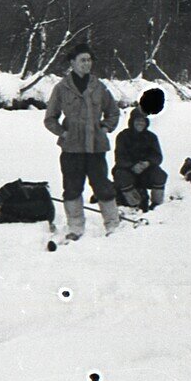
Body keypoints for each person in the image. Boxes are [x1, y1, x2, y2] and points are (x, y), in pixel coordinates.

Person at [43, 42, 121, 238]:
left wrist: (104, 128)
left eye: (89, 60)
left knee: (102, 185)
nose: (86, 64)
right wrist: (63, 133)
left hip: (96, 147)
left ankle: (112, 224)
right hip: (71, 148)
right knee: (72, 187)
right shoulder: (61, 88)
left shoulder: (99, 87)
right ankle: (75, 227)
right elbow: (50, 118)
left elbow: (113, 112)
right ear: (72, 62)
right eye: (82, 60)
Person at [113, 108, 167, 211]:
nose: (140, 123)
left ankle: (157, 205)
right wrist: (132, 166)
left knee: (160, 175)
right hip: (128, 170)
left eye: (142, 121)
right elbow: (119, 158)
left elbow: (158, 157)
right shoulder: (123, 136)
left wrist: (147, 163)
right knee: (121, 175)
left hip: (146, 170)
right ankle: (134, 204)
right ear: (132, 121)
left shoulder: (151, 137)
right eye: (137, 120)